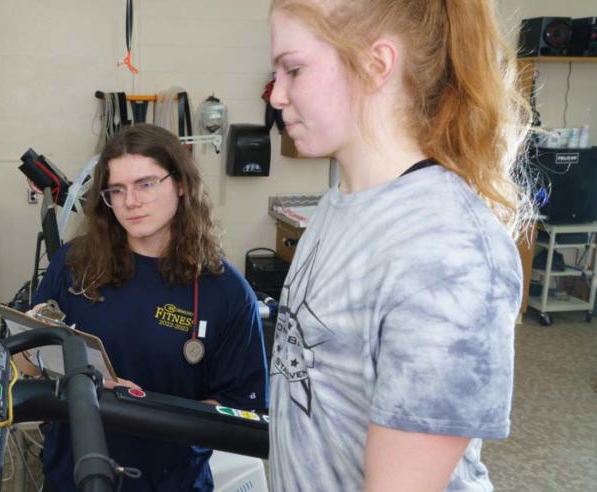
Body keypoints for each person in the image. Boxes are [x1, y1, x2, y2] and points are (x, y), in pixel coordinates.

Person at [266, 1, 533, 490]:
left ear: (376, 65)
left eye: (294, 70)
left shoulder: (446, 254)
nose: (276, 94)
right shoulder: (340, 204)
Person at [30, 123, 268, 491]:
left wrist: (137, 407)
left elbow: (241, 414)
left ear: (181, 184)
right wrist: (38, 354)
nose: (131, 202)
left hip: (170, 482)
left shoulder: (227, 293)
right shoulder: (75, 264)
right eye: (117, 190)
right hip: (71, 476)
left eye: (145, 184)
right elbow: (27, 360)